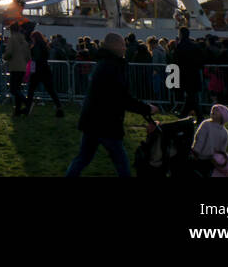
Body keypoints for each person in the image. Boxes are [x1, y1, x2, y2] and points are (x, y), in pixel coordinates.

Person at [65, 32, 160, 178]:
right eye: (122, 44)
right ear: (115, 46)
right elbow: (121, 98)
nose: (125, 47)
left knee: (83, 158)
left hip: (92, 120)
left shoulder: (103, 64)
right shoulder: (113, 67)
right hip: (107, 122)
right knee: (120, 161)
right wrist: (147, 108)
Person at [24, 30, 64, 117]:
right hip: (45, 69)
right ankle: (59, 107)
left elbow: (36, 58)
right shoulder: (45, 45)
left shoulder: (36, 46)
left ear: (34, 38)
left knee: (31, 91)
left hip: (38, 70)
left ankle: (27, 109)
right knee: (51, 90)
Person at [191, 103, 228, 177]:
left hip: (207, 159)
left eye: (217, 110)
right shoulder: (207, 125)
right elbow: (199, 139)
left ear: (223, 116)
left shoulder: (208, 125)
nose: (213, 111)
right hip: (208, 158)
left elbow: (222, 148)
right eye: (212, 110)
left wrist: (195, 152)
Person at [172, 26, 205, 120]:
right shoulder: (195, 46)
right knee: (192, 96)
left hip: (184, 74)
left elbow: (176, 61)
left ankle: (188, 115)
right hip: (194, 74)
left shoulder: (180, 46)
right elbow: (201, 60)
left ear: (181, 34)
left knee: (191, 96)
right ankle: (187, 114)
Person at [5, 27, 31, 117]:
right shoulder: (24, 42)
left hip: (14, 67)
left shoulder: (12, 39)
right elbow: (28, 57)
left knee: (13, 89)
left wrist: (5, 57)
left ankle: (27, 102)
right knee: (18, 90)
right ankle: (17, 111)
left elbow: (9, 53)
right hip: (23, 68)